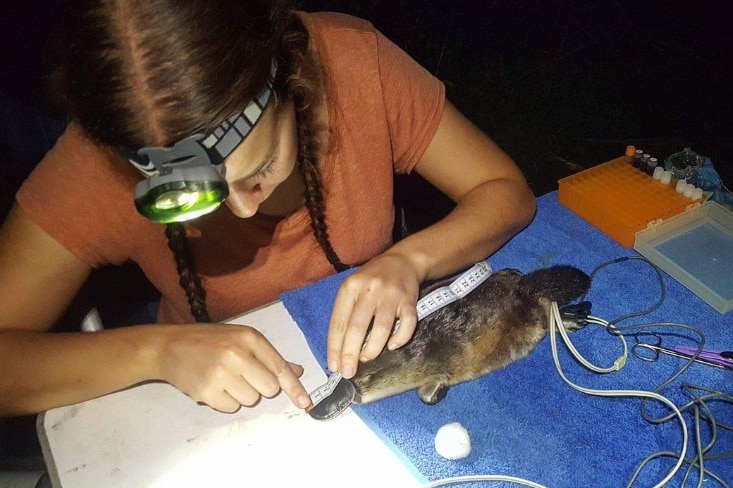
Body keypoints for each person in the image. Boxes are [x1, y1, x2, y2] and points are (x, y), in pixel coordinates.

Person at [0, 0, 535, 416]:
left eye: (259, 169)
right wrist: (156, 353)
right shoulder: (98, 161)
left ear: (290, 82)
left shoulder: (352, 65)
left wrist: (410, 259)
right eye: (192, 196)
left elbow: (505, 189)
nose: (239, 208)